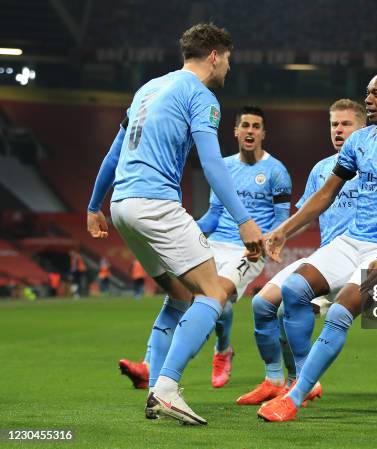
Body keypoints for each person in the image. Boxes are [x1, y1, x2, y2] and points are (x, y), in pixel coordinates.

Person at [86, 23, 264, 425]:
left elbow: (115, 151)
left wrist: (95, 205)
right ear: (215, 55)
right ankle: (167, 389)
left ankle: (154, 389)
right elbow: (213, 163)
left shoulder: (147, 88)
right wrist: (245, 221)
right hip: (155, 204)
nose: (229, 69)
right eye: (229, 60)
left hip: (123, 206)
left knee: (182, 296)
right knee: (214, 294)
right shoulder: (201, 97)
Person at [257, 72, 377, 422]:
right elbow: (326, 193)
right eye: (366, 92)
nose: (368, 99)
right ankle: (305, 379)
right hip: (350, 240)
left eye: (376, 94)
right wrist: (284, 231)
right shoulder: (360, 141)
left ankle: (293, 398)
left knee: (339, 312)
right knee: (293, 289)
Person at [118, 106, 291, 390]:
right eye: (245, 125)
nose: (250, 131)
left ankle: (174, 370)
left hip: (247, 251)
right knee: (183, 296)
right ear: (235, 131)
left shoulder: (276, 172)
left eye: (256, 126)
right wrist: (181, 233)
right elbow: (212, 216)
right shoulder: (223, 167)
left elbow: (282, 223)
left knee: (213, 296)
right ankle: (160, 361)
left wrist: (265, 243)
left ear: (263, 134)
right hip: (214, 244)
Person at [235, 99, 365, 406]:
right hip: (325, 256)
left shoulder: (374, 170)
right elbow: (307, 212)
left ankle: (303, 381)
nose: (338, 130)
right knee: (262, 304)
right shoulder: (322, 170)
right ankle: (273, 379)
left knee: (285, 309)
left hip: (354, 261)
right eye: (334, 124)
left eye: (346, 124)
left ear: (363, 128)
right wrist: (277, 236)